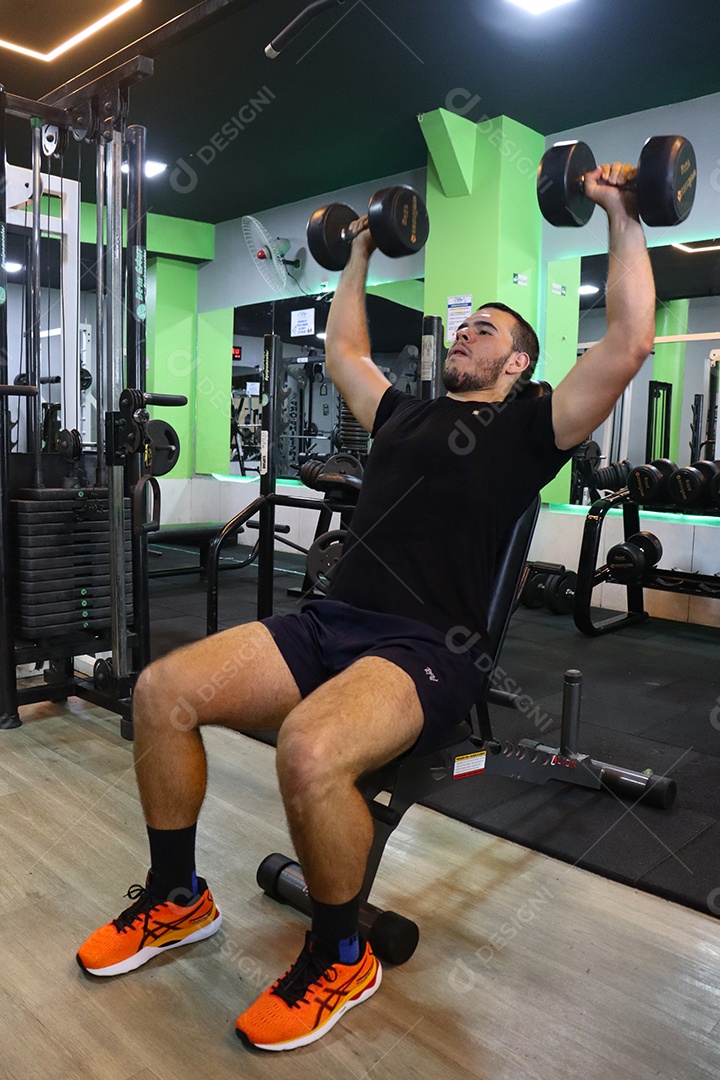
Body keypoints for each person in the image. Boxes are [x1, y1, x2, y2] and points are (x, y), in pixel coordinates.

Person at [76, 160, 656, 1052]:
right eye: (464, 324)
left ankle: (342, 953)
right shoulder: (406, 414)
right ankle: (177, 899)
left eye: (486, 329)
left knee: (310, 748)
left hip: (427, 648)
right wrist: (358, 250)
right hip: (329, 625)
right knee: (161, 692)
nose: (466, 332)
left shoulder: (534, 427)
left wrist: (619, 210)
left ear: (521, 361)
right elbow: (346, 349)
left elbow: (628, 344)